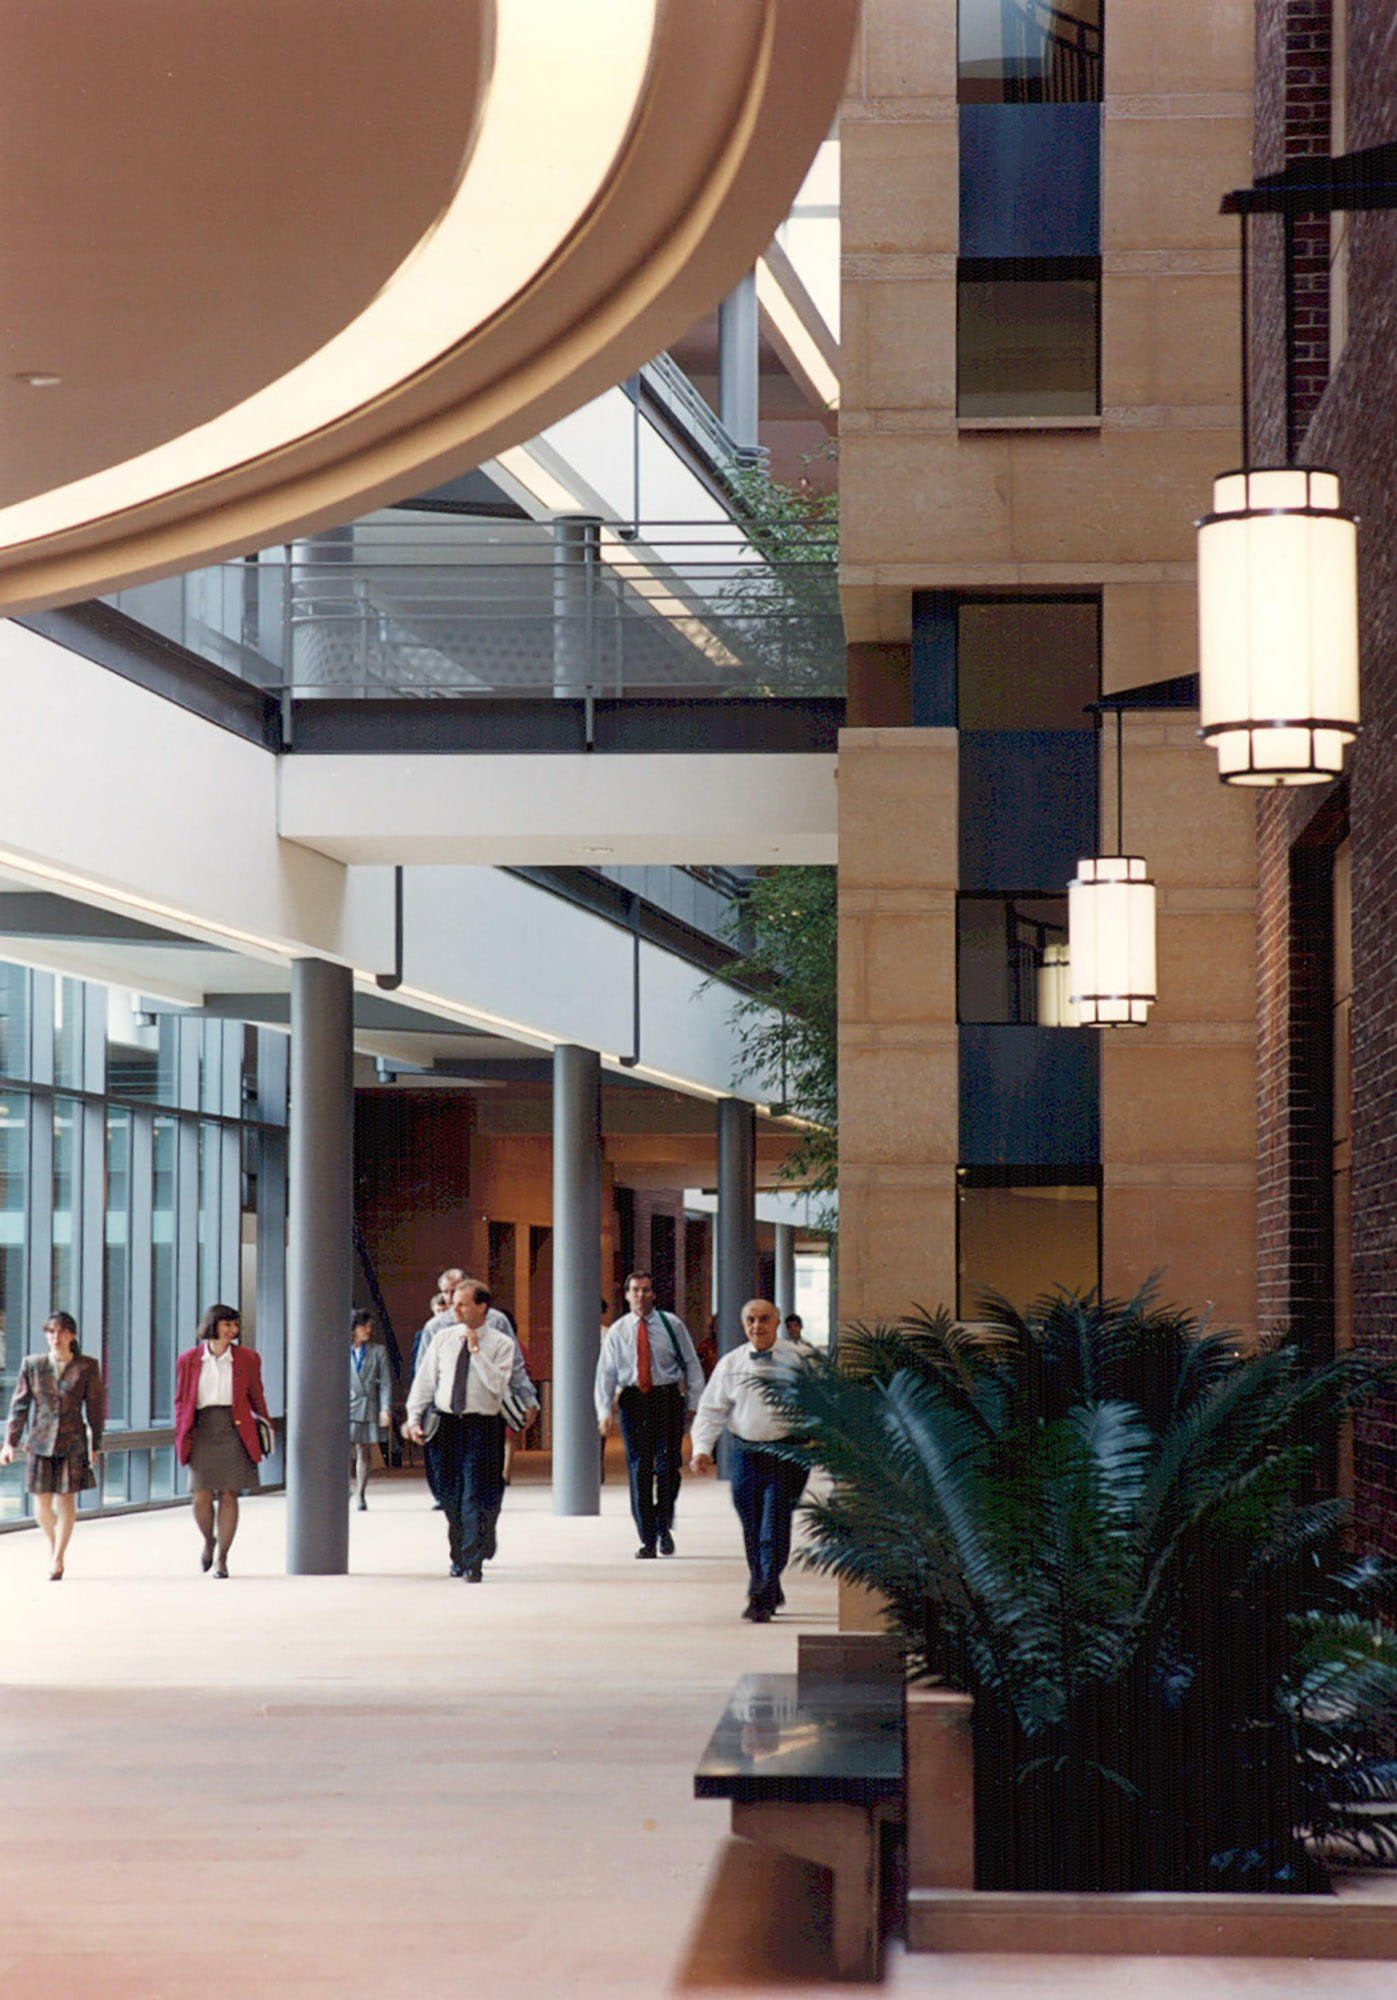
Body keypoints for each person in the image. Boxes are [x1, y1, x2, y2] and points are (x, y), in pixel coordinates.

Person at [690, 1298, 815, 1623]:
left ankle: (760, 1595)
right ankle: (768, 1583)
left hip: (788, 1452)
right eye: (751, 1320)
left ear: (777, 1323)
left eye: (763, 1319)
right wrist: (702, 1448)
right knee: (751, 1523)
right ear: (743, 1325)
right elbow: (711, 1408)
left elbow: (823, 1401)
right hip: (745, 1453)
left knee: (773, 1524)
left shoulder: (802, 1360)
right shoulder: (731, 1364)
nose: (757, 1326)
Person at [404, 1280, 515, 1581]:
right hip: (446, 1425)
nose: (455, 1308)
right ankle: (462, 1552)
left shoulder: (502, 1344)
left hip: (482, 1425)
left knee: (473, 1495)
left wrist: (477, 1352)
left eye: (463, 1303)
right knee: (449, 1495)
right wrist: (414, 1418)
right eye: (453, 1302)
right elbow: (425, 1382)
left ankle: (471, 1562)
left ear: (482, 1307)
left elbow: (497, 1387)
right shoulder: (442, 1339)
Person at [595, 1270, 704, 1560]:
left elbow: (692, 1364)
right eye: (635, 1290)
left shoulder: (672, 1325)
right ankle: (647, 1538)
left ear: (653, 1294)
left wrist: (694, 1401)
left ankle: (662, 1523)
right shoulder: (618, 1331)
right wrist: (604, 1410)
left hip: (666, 1397)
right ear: (627, 1295)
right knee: (639, 1467)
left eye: (645, 1290)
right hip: (633, 1399)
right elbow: (605, 1373)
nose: (640, 1296)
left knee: (668, 1467)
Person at [1, 1311, 104, 1581]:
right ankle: (52, 1543)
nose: (56, 1337)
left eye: (61, 1332)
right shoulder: (33, 1365)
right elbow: (19, 1405)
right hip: (40, 1440)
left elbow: (95, 1407)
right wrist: (9, 1442)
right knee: (41, 1502)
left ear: (72, 1335)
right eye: (51, 1332)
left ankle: (58, 1557)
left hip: (73, 1440)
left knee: (66, 1498)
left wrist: (97, 1442)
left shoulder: (87, 1366)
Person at [174, 1303, 271, 1578]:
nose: (233, 1330)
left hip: (235, 1429)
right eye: (227, 1325)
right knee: (201, 1496)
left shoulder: (248, 1359)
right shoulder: (188, 1360)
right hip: (202, 1429)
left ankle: (222, 1559)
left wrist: (265, 1429)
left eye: (235, 1325)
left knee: (230, 1494)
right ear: (213, 1325)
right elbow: (181, 1400)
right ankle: (209, 1541)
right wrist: (181, 1434)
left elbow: (257, 1396)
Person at [348, 1307, 392, 1511]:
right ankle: (344, 1489)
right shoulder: (339, 1350)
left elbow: (385, 1382)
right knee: (341, 1452)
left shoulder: (378, 1351)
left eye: (369, 1326)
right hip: (345, 1408)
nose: (368, 1330)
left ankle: (361, 1493)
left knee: (363, 1450)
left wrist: (385, 1409)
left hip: (367, 1406)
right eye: (363, 1326)